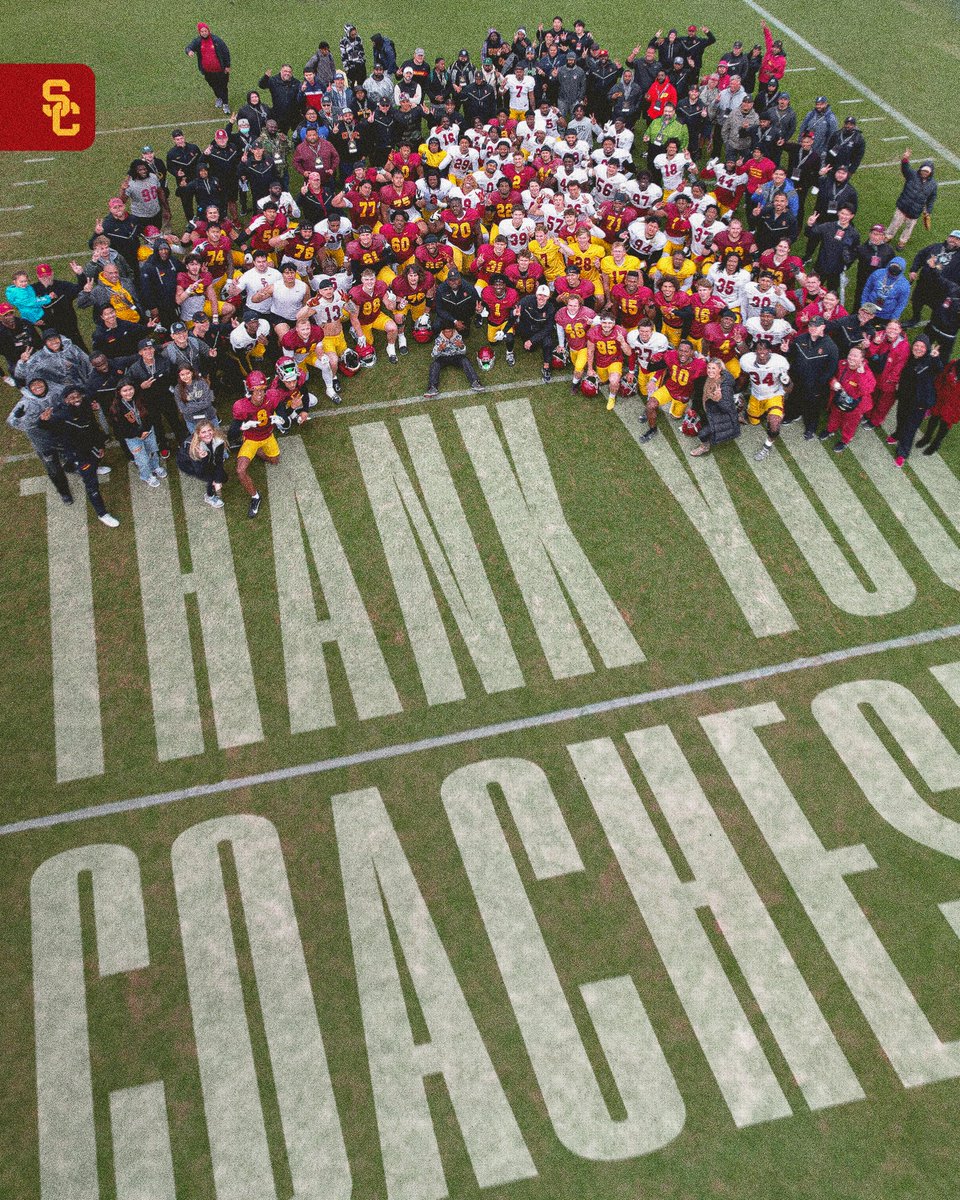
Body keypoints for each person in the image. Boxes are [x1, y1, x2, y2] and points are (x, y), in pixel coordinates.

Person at [38, 386, 119, 525]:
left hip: (91, 447)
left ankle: (92, 467)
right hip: (78, 453)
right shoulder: (61, 414)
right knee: (91, 485)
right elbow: (48, 427)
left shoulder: (86, 405)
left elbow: (93, 426)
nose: (76, 400)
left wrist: (100, 445)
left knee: (97, 459)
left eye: (77, 396)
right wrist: (42, 422)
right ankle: (102, 513)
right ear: (65, 400)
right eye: (72, 398)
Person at [232, 371, 281, 517]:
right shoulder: (241, 406)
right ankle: (255, 497)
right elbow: (232, 432)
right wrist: (243, 426)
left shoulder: (272, 397)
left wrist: (282, 417)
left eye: (261, 389)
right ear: (249, 390)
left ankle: (258, 452)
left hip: (268, 435)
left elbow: (281, 407)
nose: (259, 393)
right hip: (251, 438)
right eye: (255, 390)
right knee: (240, 471)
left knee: (274, 461)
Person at [889, 334, 942, 465]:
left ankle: (903, 453)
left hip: (919, 403)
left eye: (922, 346)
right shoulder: (910, 358)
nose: (918, 348)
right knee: (900, 418)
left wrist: (935, 358)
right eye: (916, 345)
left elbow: (939, 368)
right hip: (904, 398)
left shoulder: (929, 361)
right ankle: (897, 434)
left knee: (910, 428)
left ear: (927, 349)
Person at [785, 314, 840, 439]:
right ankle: (792, 415)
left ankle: (810, 428)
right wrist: (786, 351)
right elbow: (792, 354)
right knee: (794, 399)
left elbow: (831, 369)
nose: (813, 328)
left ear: (823, 327)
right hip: (797, 379)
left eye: (816, 326)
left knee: (812, 407)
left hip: (815, 385)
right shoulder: (800, 339)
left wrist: (818, 384)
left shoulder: (831, 347)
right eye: (811, 325)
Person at [738, 340, 791, 460]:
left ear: (770, 351)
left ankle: (767, 446)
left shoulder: (779, 362)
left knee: (774, 425)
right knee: (754, 421)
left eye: (765, 349)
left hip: (774, 395)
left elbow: (789, 389)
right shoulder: (747, 361)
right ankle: (760, 414)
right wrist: (737, 392)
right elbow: (744, 376)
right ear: (755, 351)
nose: (762, 352)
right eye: (759, 349)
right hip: (756, 395)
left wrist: (786, 382)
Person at [109, 378, 166, 486]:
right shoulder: (116, 408)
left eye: (130, 389)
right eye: (124, 391)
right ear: (119, 392)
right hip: (132, 438)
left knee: (153, 450)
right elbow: (120, 428)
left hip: (148, 431)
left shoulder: (142, 399)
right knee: (142, 459)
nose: (128, 392)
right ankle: (146, 476)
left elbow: (151, 415)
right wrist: (137, 433)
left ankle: (155, 466)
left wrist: (145, 430)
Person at [822, 345, 876, 453]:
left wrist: (861, 375)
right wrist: (833, 382)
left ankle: (845, 440)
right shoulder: (842, 364)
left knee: (850, 424)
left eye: (855, 356)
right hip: (839, 399)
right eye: (850, 354)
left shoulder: (867, 373)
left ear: (862, 359)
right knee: (834, 415)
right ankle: (830, 430)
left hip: (855, 406)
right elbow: (832, 375)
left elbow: (866, 390)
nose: (851, 358)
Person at [688, 359, 740, 456]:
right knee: (701, 427)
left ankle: (705, 447)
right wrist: (693, 409)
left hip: (722, 417)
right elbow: (698, 395)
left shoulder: (725, 386)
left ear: (720, 369)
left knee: (702, 434)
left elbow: (727, 408)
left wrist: (718, 399)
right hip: (708, 411)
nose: (710, 371)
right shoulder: (705, 379)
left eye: (714, 368)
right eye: (709, 367)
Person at [886, 151, 937, 249]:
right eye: (923, 170)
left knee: (909, 228)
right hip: (903, 206)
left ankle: (902, 242)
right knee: (895, 223)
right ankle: (888, 236)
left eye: (927, 171)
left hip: (915, 211)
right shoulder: (912, 175)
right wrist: (905, 159)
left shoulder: (933, 185)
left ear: (930, 173)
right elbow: (905, 169)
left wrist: (928, 211)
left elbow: (931, 199)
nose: (924, 173)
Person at [176, 419, 228, 507]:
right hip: (187, 464)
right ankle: (209, 496)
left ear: (213, 430)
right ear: (198, 434)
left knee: (223, 478)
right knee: (210, 476)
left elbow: (219, 462)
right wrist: (203, 458)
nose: (207, 434)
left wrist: (218, 480)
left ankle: (215, 481)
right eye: (203, 432)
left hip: (206, 460)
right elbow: (200, 471)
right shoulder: (193, 447)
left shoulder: (219, 440)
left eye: (209, 430)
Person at [424, 322, 483, 396]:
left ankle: (475, 382)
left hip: (456, 356)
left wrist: (461, 346)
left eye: (450, 331)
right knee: (435, 364)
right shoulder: (439, 339)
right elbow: (433, 355)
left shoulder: (458, 337)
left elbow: (463, 352)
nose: (448, 334)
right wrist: (439, 349)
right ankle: (432, 387)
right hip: (443, 357)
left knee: (465, 360)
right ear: (443, 331)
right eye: (446, 332)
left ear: (453, 330)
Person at [185, 21, 231, 115]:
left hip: (220, 70)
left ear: (208, 30)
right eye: (202, 31)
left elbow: (225, 52)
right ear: (199, 33)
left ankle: (225, 104)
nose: (204, 33)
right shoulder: (198, 41)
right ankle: (219, 98)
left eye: (205, 31)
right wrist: (189, 51)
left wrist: (227, 66)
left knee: (223, 86)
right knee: (213, 85)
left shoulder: (216, 40)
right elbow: (189, 47)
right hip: (207, 71)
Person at [917, 358, 960, 456]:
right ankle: (927, 438)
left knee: (944, 426)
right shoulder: (954, 364)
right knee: (933, 419)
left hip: (954, 406)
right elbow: (941, 377)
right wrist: (938, 390)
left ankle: (936, 444)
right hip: (941, 399)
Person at [173, 365, 219, 432]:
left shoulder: (202, 382)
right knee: (197, 441)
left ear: (192, 372)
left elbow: (208, 401)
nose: (185, 377)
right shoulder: (177, 389)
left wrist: (189, 405)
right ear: (179, 376)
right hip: (192, 422)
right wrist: (201, 404)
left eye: (188, 373)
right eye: (182, 374)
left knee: (217, 439)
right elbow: (183, 409)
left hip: (210, 417)